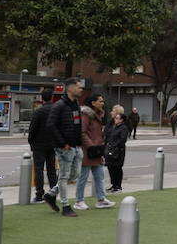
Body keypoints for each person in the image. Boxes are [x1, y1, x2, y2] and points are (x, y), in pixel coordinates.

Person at [43, 79, 83, 216]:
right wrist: (62, 143)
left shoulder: (75, 104)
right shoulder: (59, 105)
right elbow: (51, 125)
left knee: (75, 173)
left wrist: (78, 142)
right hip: (65, 147)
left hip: (75, 146)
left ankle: (51, 194)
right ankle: (65, 205)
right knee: (64, 176)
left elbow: (77, 124)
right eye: (78, 87)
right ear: (70, 89)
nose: (81, 89)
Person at [76, 93, 113, 209]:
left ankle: (101, 199)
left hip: (96, 150)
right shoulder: (86, 115)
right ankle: (79, 201)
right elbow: (82, 132)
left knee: (99, 175)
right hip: (88, 150)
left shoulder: (97, 115)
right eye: (100, 101)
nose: (102, 103)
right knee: (83, 177)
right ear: (93, 103)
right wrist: (91, 146)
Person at [27, 90, 58, 204]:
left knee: (39, 169)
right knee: (52, 169)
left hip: (39, 144)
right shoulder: (56, 110)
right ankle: (53, 192)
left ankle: (39, 194)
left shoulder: (39, 111)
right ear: (52, 97)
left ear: (42, 98)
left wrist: (31, 142)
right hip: (53, 144)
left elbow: (33, 129)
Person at [104, 109, 129, 193]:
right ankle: (113, 185)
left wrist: (115, 145)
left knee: (117, 168)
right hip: (110, 149)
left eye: (118, 118)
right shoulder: (113, 127)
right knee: (110, 167)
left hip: (118, 151)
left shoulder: (123, 128)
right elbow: (108, 136)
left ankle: (118, 186)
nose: (116, 119)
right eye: (115, 118)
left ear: (122, 120)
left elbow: (122, 139)